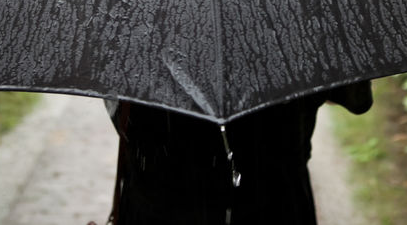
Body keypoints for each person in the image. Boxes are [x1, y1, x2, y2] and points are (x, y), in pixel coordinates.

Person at [107, 81, 373, 225]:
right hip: (278, 204)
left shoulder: (131, 4)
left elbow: (121, 116)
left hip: (155, 206)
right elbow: (355, 97)